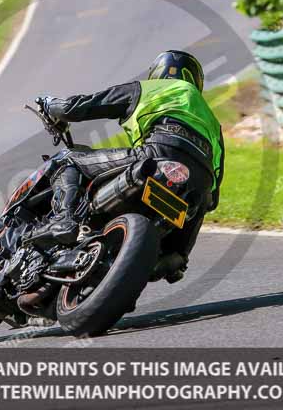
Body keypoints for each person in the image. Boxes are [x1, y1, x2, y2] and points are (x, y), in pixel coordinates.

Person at [26, 50, 224, 283]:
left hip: (155, 153)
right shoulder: (213, 122)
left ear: (158, 73)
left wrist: (50, 104)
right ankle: (177, 258)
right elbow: (214, 197)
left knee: (67, 159)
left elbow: (75, 108)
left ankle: (64, 219)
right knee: (200, 202)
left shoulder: (151, 88)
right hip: (198, 184)